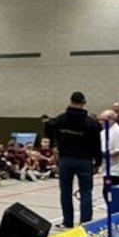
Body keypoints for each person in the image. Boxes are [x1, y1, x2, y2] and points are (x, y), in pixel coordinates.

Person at [48, 92, 101, 229]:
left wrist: (55, 149)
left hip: (65, 160)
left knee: (65, 192)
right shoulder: (92, 123)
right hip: (85, 161)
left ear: (70, 101)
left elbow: (52, 136)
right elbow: (97, 145)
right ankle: (85, 222)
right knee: (86, 192)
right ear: (84, 103)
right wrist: (98, 162)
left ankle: (67, 221)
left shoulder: (60, 120)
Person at [100, 109, 119, 203]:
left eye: (103, 120)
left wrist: (106, 154)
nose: (101, 122)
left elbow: (118, 150)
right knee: (106, 192)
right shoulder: (103, 132)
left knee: (112, 192)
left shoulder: (118, 131)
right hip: (106, 168)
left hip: (116, 169)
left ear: (111, 119)